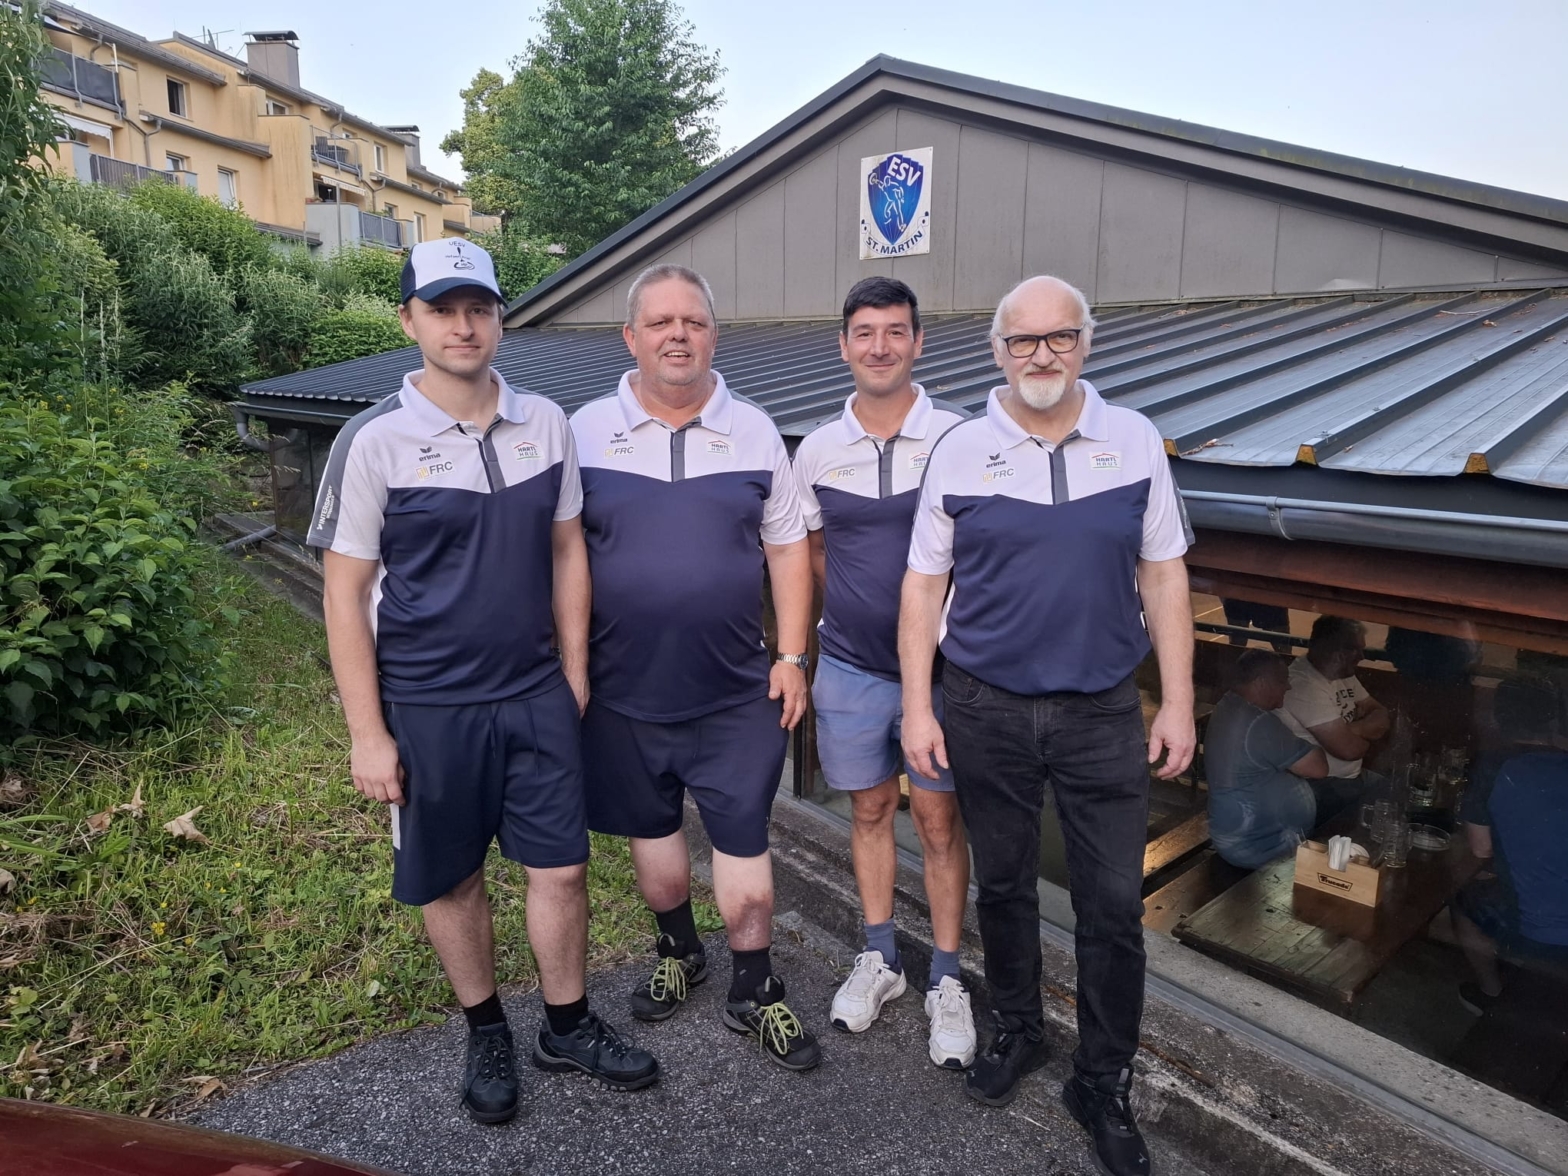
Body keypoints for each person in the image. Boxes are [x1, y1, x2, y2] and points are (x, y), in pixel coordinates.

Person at [310, 240, 657, 1126]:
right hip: (428, 704)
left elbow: (568, 548)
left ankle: (567, 1026)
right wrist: (367, 734)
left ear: (500, 317)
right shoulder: (373, 440)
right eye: (442, 309)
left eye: (479, 308)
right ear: (409, 321)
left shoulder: (546, 422)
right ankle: (487, 1030)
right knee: (453, 878)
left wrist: (573, 671)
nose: (463, 326)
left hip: (536, 693)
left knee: (563, 869)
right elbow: (344, 594)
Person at [899, 275, 1195, 1176]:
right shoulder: (958, 451)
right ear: (997, 352)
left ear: (1085, 344)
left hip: (1102, 711)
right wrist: (919, 705)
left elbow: (1165, 575)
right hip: (983, 705)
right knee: (1004, 886)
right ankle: (1019, 1028)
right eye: (1023, 340)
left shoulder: (1133, 441)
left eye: (1059, 336)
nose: (1041, 354)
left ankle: (1102, 1080)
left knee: (1113, 906)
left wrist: (1179, 699)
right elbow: (923, 587)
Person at [570, 264, 821, 1071]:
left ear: (714, 335)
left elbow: (788, 546)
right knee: (655, 847)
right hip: (621, 693)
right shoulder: (582, 432)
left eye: (694, 322)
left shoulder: (754, 430)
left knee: (745, 852)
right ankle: (680, 951)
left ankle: (755, 987)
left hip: (734, 694)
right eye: (660, 322)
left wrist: (792, 654)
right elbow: (558, 554)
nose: (677, 334)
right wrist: (569, 665)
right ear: (631, 337)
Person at [792, 277, 975, 1066]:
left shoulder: (961, 438)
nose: (880, 346)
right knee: (867, 809)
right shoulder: (816, 449)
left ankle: (947, 976)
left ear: (918, 342)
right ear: (843, 345)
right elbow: (811, 550)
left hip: (943, 674)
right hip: (851, 667)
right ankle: (880, 957)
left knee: (937, 821)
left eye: (895, 331)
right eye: (864, 332)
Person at [1453, 678, 1568, 1014]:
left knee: (1462, 902)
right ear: (1552, 720)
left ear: (1497, 718)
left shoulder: (1493, 766)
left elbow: (1481, 849)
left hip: (1542, 931)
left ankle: (1491, 994)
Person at [1206, 650, 1329, 868]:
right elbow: (1319, 768)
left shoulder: (1230, 705)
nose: (1288, 687)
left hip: (1235, 835)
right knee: (1345, 806)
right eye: (1283, 680)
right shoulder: (1258, 723)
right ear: (1262, 683)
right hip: (1259, 846)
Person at [1278, 615, 1389, 814]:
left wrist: (1350, 730)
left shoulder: (1343, 674)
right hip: (1322, 785)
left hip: (1351, 777)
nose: (1361, 656)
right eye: (1356, 649)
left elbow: (1382, 715)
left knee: (1395, 793)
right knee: (1387, 807)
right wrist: (1365, 731)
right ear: (1336, 652)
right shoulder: (1303, 684)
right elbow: (1350, 750)